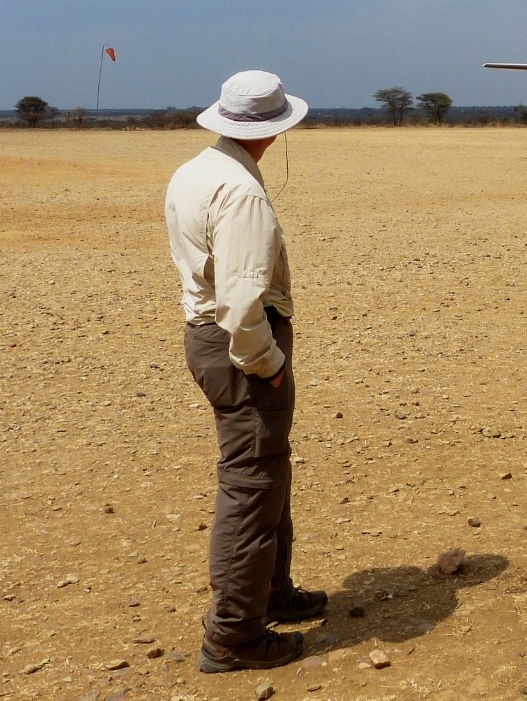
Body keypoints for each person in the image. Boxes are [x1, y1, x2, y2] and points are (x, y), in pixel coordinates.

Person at [165, 70, 325, 673]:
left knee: (264, 472)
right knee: (251, 485)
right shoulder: (242, 192)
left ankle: (269, 594)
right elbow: (240, 302)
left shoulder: (195, 171)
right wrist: (270, 364)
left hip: (205, 338)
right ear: (275, 128)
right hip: (239, 350)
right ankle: (234, 635)